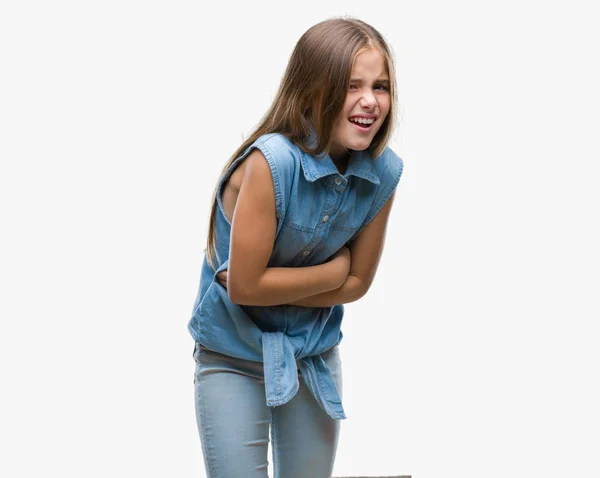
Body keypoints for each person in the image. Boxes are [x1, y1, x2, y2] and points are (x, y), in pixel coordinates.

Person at [188, 17, 404, 477]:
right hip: (234, 358)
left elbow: (360, 283)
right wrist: (331, 274)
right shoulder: (272, 163)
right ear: (314, 90)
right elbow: (245, 288)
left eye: (380, 86)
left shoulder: (384, 173)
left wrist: (277, 284)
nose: (370, 101)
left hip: (312, 356)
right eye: (352, 86)